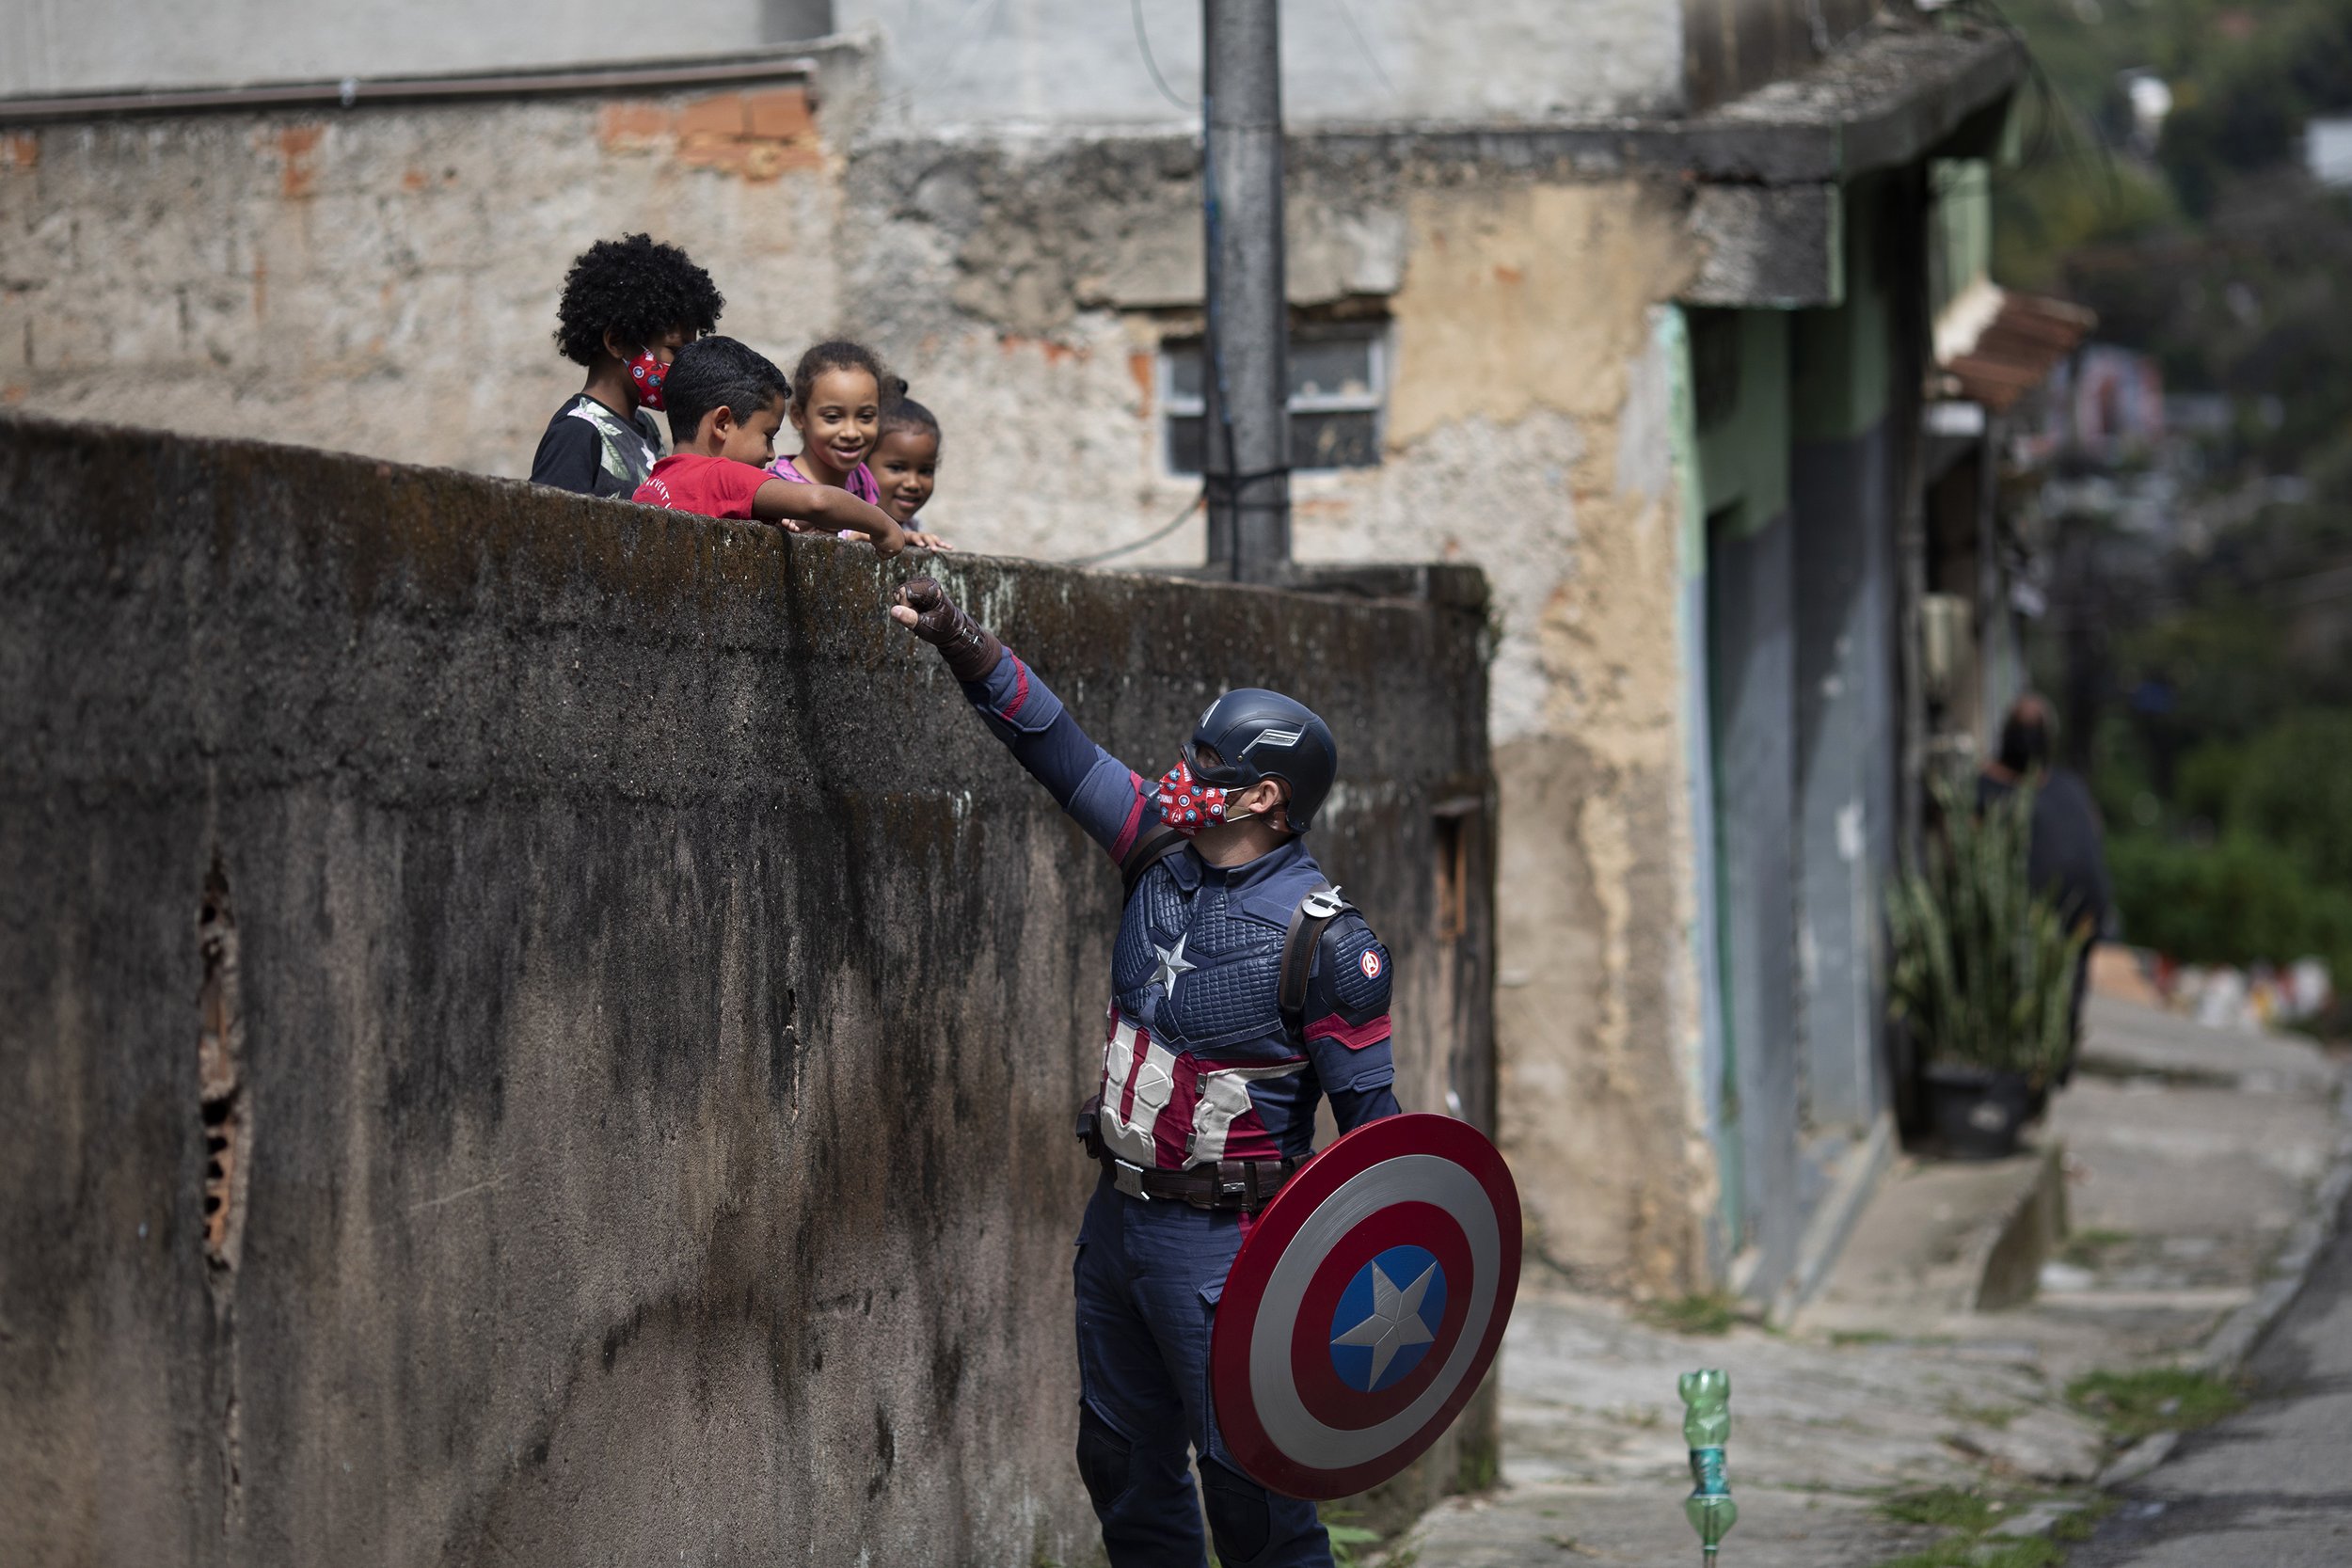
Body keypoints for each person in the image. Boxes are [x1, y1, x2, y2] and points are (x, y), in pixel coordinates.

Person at [888, 577, 1401, 1568]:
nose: (1184, 770)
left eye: (1212, 763)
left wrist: (1353, 1310)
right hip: (1117, 1220)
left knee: (1255, 1503)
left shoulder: (1327, 943)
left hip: (1232, 1246)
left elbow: (1378, 1149)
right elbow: (1053, 741)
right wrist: (960, 638)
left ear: (1266, 797)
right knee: (1122, 1466)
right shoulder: (1154, 848)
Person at [629, 337, 906, 555]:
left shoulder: (652, 483)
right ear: (722, 423)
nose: (771, 454)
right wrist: (884, 525)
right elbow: (818, 501)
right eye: (768, 435)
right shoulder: (719, 475)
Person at [1979, 693, 2114, 1076]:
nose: (2028, 738)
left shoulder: (2066, 785)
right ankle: (2028, 1075)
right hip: (2027, 926)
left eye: (2034, 728)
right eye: (2023, 727)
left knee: (2064, 1000)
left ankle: (2052, 1069)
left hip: (2079, 916)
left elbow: (2095, 830)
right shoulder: (1988, 788)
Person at [530, 233, 723, 498]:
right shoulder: (577, 432)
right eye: (675, 350)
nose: (685, 365)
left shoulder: (647, 428)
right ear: (616, 341)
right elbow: (548, 527)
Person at [870, 396, 942, 531]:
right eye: (897, 468)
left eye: (925, 471)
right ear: (862, 466)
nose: (913, 484)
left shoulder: (914, 527)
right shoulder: (846, 525)